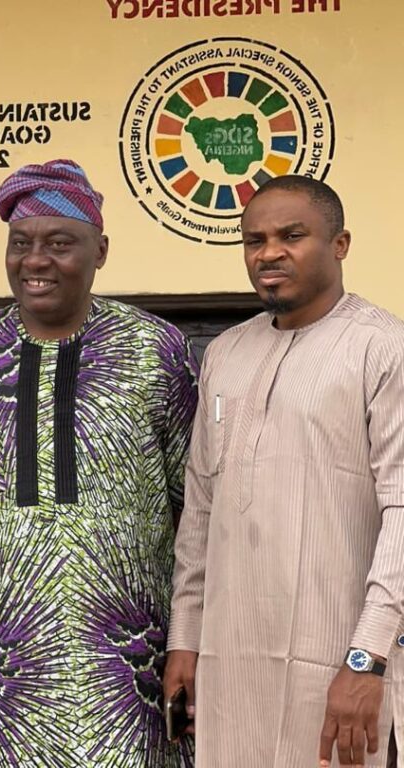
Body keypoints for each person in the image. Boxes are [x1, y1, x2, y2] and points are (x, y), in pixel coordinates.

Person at [0, 159, 198, 766]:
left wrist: (191, 643)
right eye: (21, 243)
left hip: (128, 670)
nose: (35, 260)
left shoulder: (155, 349)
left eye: (60, 243)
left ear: (101, 251)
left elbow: (196, 513)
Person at [164, 174, 404, 767]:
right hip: (230, 666)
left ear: (340, 244)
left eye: (291, 236)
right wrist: (185, 640)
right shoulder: (225, 353)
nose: (269, 253)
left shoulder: (383, 348)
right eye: (255, 240)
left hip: (340, 664)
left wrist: (367, 659)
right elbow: (201, 510)